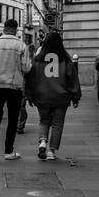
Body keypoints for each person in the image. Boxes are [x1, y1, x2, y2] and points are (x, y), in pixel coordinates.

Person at [26, 31, 82, 161]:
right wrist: (76, 96)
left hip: (42, 96)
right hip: (61, 97)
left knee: (44, 121)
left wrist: (29, 95)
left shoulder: (37, 60)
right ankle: (51, 151)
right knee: (57, 124)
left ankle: (42, 141)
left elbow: (31, 79)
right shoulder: (66, 60)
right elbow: (72, 79)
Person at [0, 19, 31, 161]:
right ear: (15, 29)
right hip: (14, 86)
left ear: (4, 28)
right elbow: (26, 67)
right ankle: (9, 151)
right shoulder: (21, 46)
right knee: (13, 118)